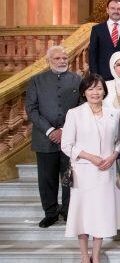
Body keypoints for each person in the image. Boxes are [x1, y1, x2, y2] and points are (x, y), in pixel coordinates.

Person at [61, 73, 120, 263]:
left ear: (104, 91)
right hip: (84, 172)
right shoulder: (74, 113)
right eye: (91, 89)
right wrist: (91, 157)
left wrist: (114, 155)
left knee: (100, 214)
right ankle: (84, 257)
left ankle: (96, 255)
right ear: (84, 92)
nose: (95, 92)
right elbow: (67, 145)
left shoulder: (114, 113)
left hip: (106, 171)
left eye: (99, 88)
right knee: (83, 215)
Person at [25, 46, 82, 228]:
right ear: (48, 61)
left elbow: (82, 107)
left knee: (69, 177)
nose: (62, 61)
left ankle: (68, 212)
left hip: (71, 138)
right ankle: (50, 213)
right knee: (47, 179)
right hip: (44, 139)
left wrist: (65, 130)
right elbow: (31, 109)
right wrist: (50, 130)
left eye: (65, 58)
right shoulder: (36, 81)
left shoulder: (78, 80)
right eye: (57, 58)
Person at [89, 0, 120, 80]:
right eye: (113, 8)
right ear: (107, 10)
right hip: (103, 77)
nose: (116, 11)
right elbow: (93, 55)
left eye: (119, 9)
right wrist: (95, 76)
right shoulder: (97, 29)